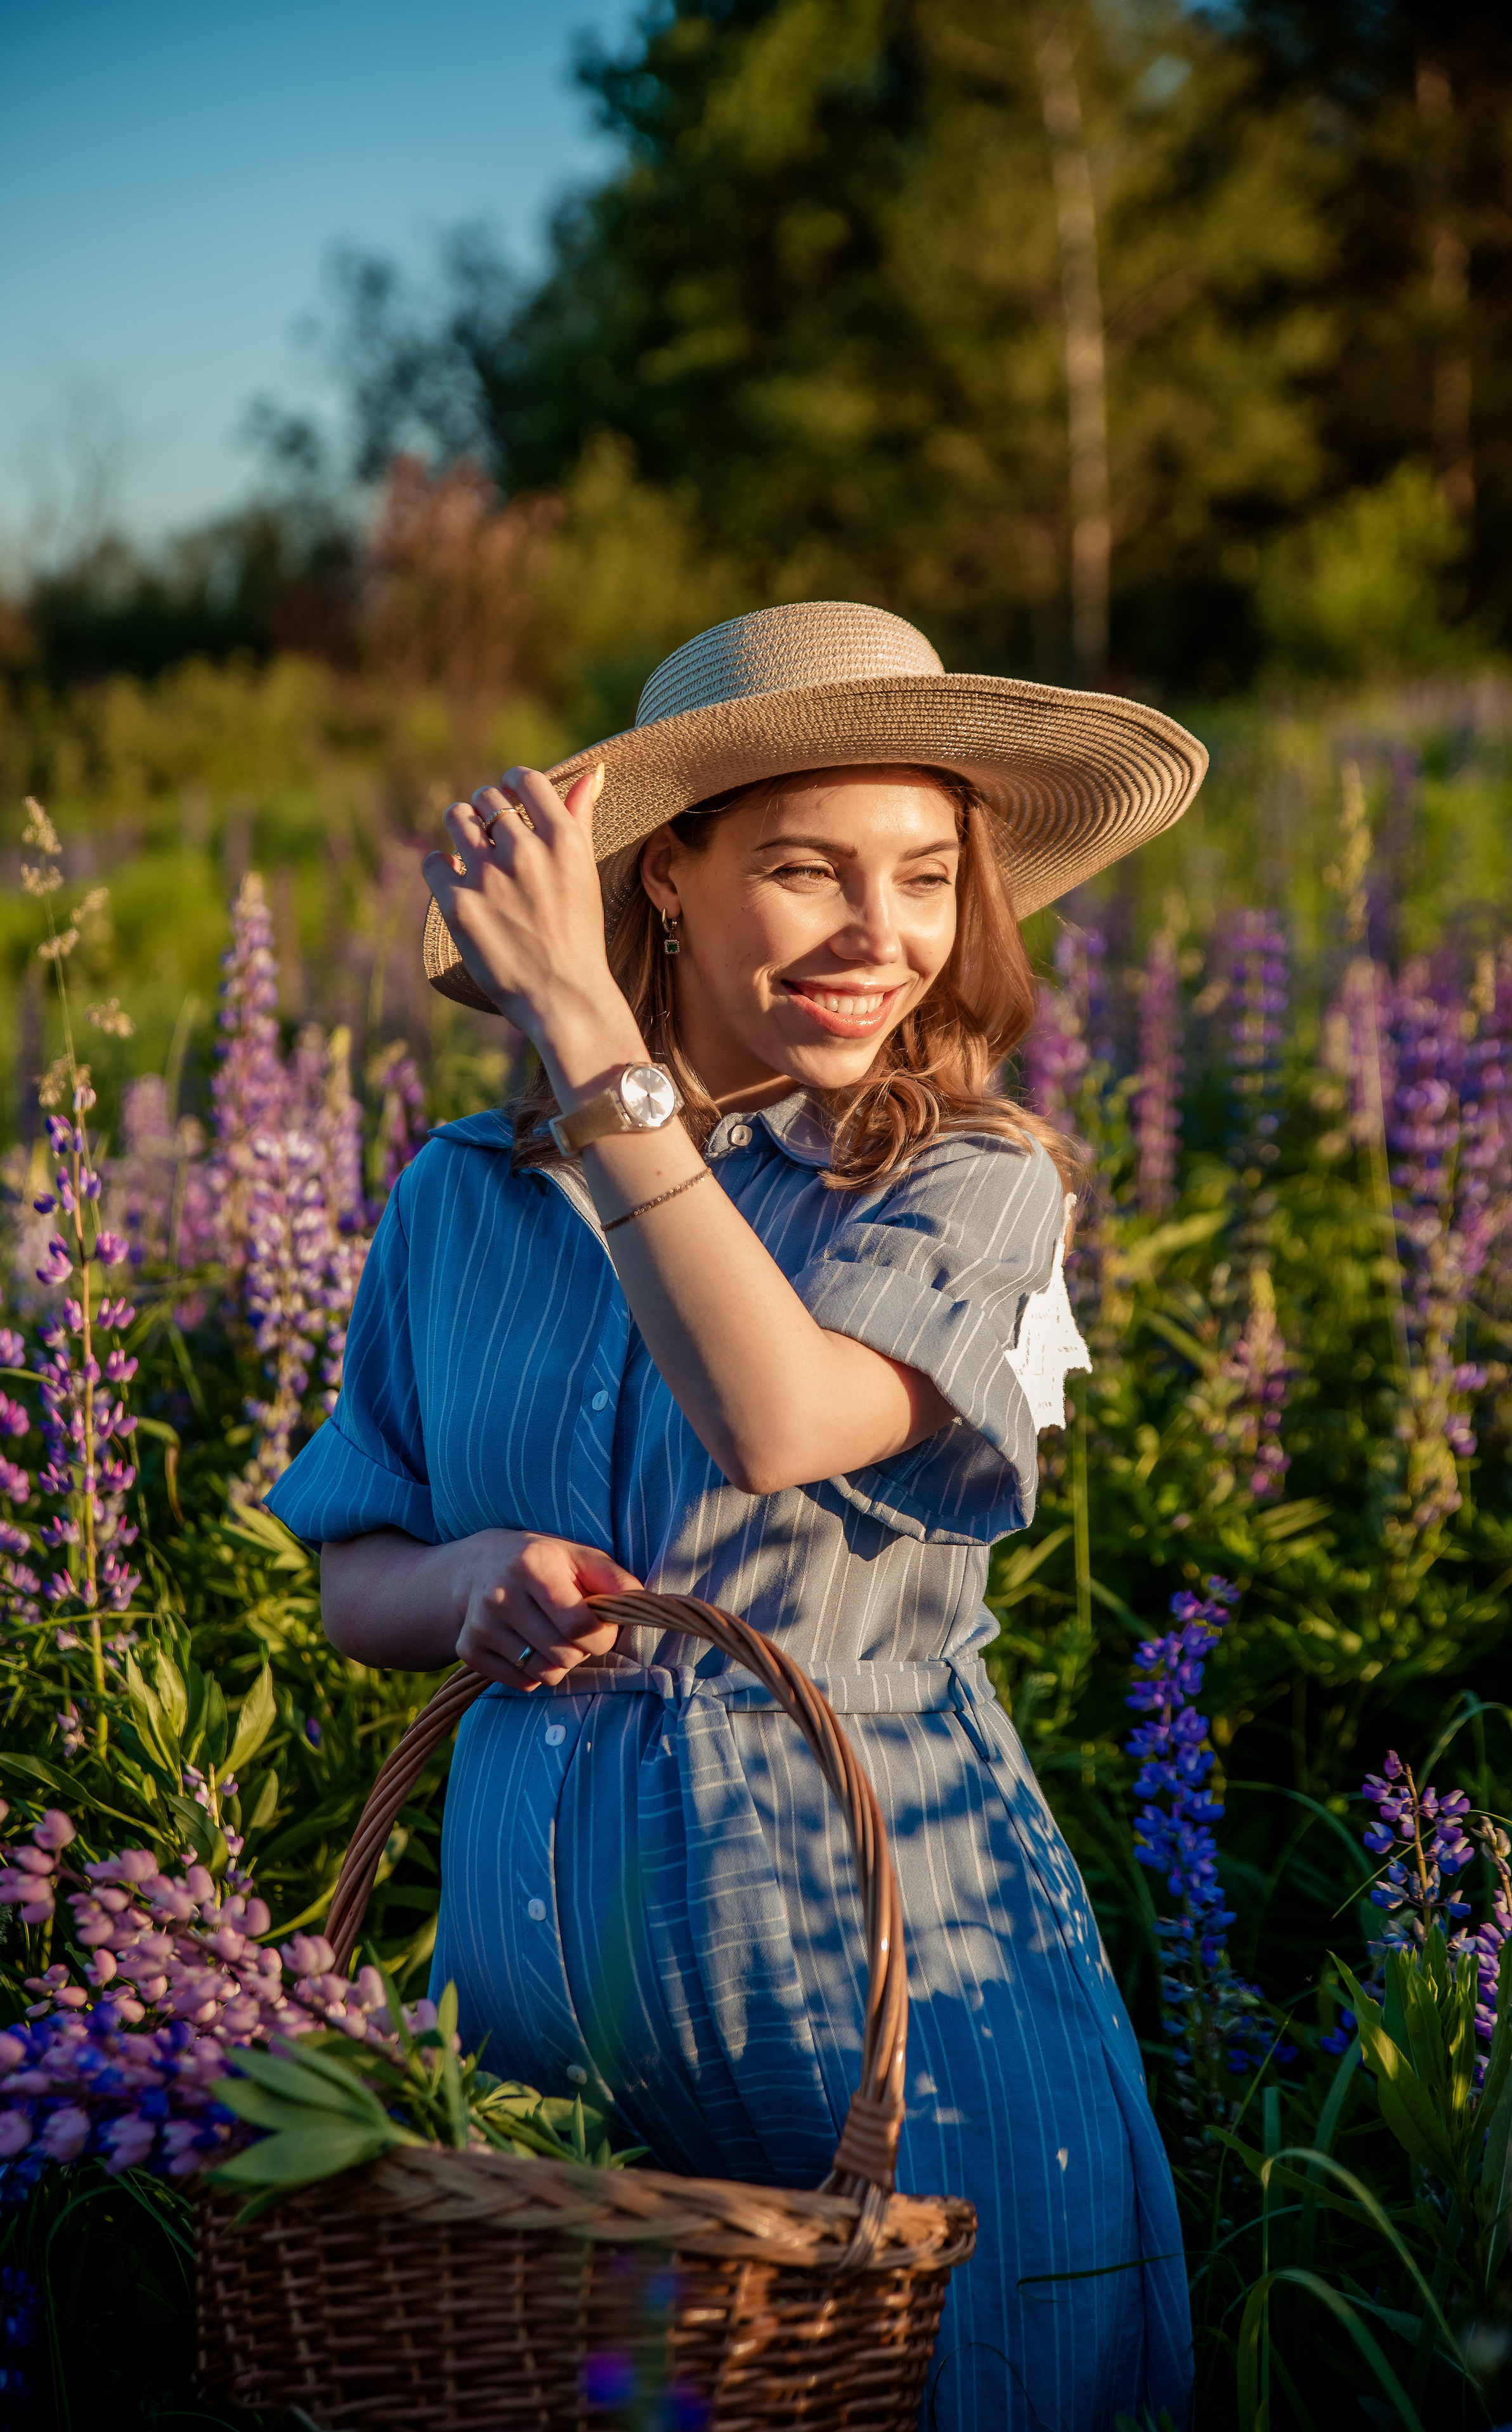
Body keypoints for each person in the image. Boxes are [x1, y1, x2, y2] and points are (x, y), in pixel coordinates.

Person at [266, 601, 1206, 2431]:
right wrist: (462, 1577)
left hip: (876, 1997)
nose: (882, 938)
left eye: (927, 878)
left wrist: (596, 1043)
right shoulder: (463, 1198)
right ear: (671, 878)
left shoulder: (974, 1182)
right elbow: (348, 1576)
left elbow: (776, 1413)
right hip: (532, 2038)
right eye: (806, 869)